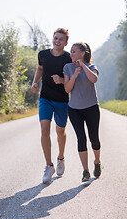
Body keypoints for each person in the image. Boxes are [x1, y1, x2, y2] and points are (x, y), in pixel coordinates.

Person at [31, 28, 72, 184]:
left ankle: (61, 158)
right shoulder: (43, 55)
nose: (57, 41)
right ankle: (49, 166)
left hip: (62, 99)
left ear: (66, 43)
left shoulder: (68, 58)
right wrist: (35, 82)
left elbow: (73, 78)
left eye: (61, 39)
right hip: (45, 98)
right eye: (55, 38)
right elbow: (40, 68)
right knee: (44, 130)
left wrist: (62, 80)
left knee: (60, 131)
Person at [63, 42, 101, 182]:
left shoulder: (91, 67)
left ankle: (97, 161)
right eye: (71, 51)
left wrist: (83, 66)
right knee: (81, 139)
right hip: (74, 109)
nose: (71, 54)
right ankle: (85, 171)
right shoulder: (67, 67)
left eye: (74, 51)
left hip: (91, 107)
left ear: (82, 53)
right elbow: (67, 89)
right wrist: (74, 75)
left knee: (94, 139)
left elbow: (94, 79)